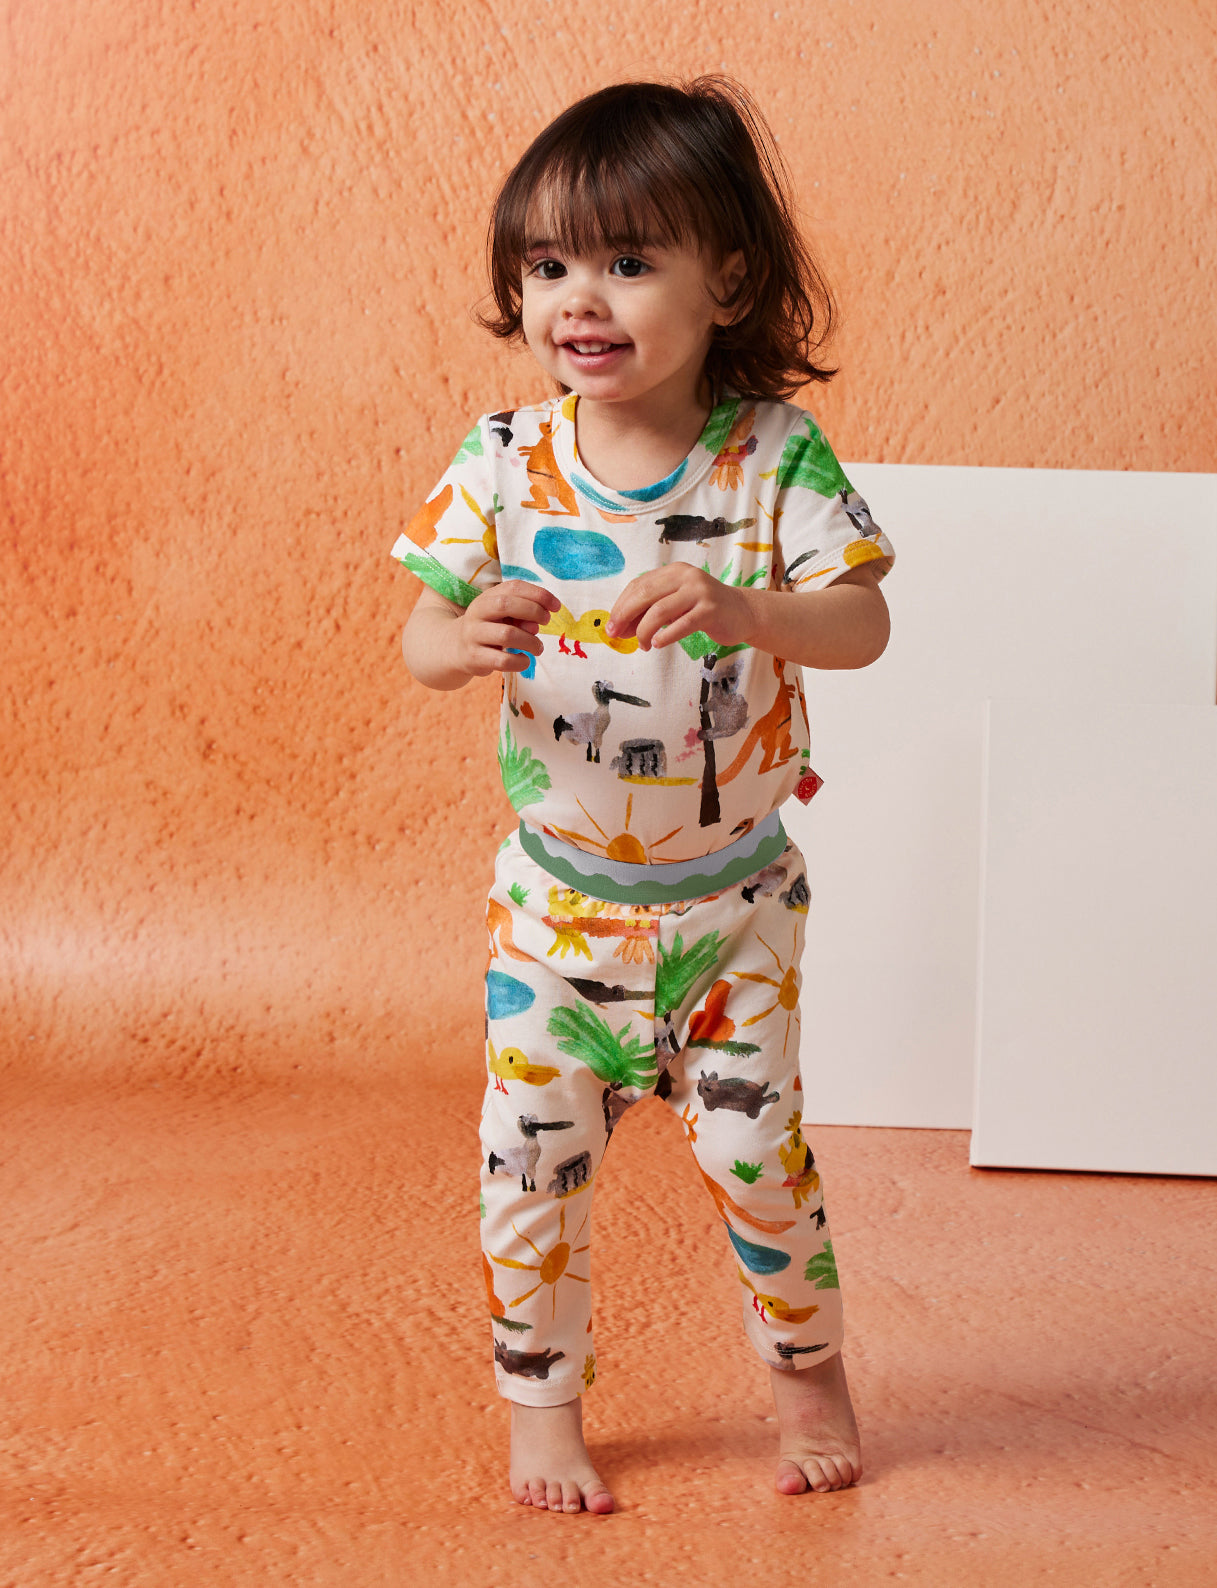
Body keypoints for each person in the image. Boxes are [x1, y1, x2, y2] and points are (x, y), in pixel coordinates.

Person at [396, 77, 894, 1515]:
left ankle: (808, 1377)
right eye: (547, 265)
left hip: (732, 913)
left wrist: (747, 609)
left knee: (756, 1157)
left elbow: (862, 624)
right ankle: (541, 1409)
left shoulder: (773, 458)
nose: (579, 299)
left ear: (726, 281)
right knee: (529, 1166)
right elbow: (420, 638)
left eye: (626, 260)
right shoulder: (503, 461)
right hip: (558, 917)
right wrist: (462, 635)